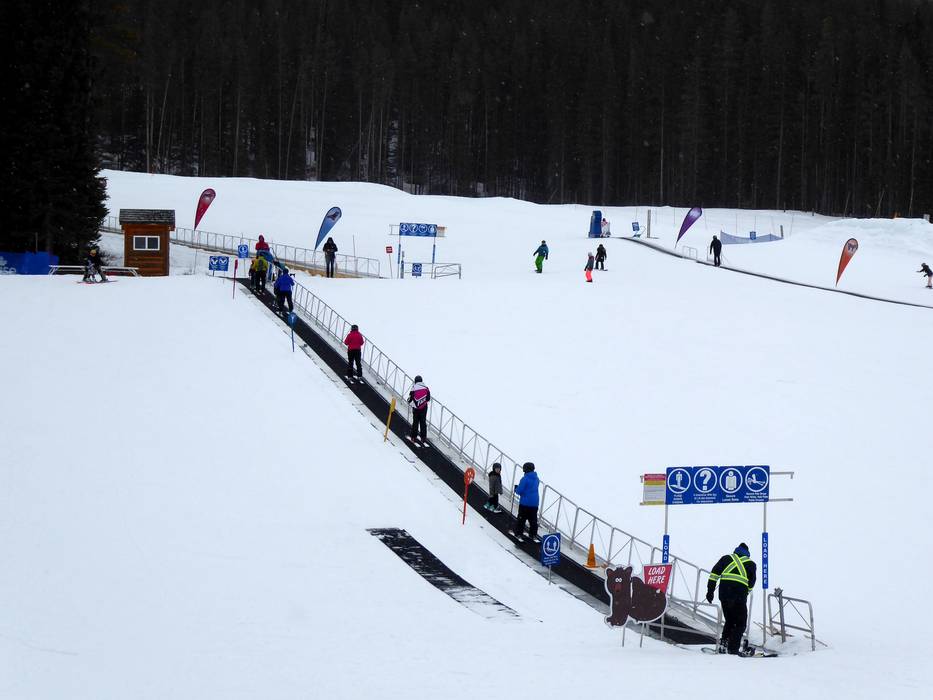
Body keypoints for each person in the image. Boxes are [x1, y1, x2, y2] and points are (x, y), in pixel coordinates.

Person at [706, 542, 757, 655]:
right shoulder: (751, 564)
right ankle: (733, 649)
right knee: (740, 623)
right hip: (739, 596)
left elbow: (714, 574)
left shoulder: (726, 558)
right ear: (747, 553)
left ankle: (723, 644)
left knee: (729, 620)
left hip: (724, 594)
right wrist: (745, 593)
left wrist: (710, 591)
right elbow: (751, 583)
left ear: (736, 551)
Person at [512, 462, 540, 541]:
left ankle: (518, 534)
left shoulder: (525, 479)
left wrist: (516, 489)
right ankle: (533, 534)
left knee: (521, 519)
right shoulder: (537, 479)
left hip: (525, 503)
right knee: (533, 520)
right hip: (535, 503)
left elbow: (519, 491)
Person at [408, 375, 431, 444]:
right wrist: (422, 402)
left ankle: (413, 437)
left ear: (415, 381)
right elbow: (428, 398)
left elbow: (410, 398)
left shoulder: (414, 388)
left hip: (416, 408)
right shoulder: (426, 388)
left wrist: (410, 401)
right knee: (423, 422)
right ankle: (423, 438)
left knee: (415, 422)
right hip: (424, 408)